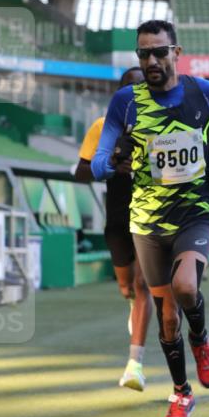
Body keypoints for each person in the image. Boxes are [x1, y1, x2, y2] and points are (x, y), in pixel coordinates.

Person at [92, 19, 209, 417]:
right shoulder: (125, 102)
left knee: (186, 288)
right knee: (167, 317)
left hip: (195, 212)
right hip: (147, 222)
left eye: (159, 52)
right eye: (143, 53)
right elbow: (98, 161)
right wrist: (111, 162)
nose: (151, 60)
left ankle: (201, 341)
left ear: (176, 53)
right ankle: (180, 393)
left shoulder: (202, 92)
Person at [74, 65, 153, 391]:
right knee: (126, 287)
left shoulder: (158, 126)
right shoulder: (102, 127)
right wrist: (109, 166)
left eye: (141, 88)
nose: (136, 94)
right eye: (130, 89)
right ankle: (132, 304)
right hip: (118, 216)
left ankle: (134, 364)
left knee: (142, 284)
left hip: (150, 216)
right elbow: (80, 172)